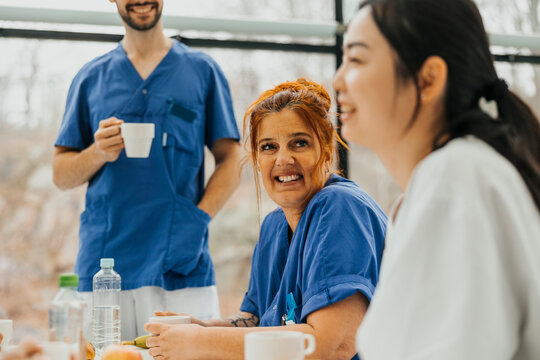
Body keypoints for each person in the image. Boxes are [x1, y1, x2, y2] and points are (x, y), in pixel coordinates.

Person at [333, 0, 540, 358]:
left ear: (428, 79)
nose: (337, 79)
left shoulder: (456, 178)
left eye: (356, 59)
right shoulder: (457, 175)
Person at [143, 79, 387, 359]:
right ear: (257, 158)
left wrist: (201, 341)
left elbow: (330, 346)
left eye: (300, 143)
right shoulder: (274, 227)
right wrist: (203, 325)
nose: (283, 159)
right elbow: (257, 318)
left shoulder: (340, 208)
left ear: (327, 150)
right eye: (269, 147)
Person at [52, 0, 241, 340]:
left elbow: (231, 157)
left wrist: (198, 218)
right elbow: (61, 173)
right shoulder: (91, 78)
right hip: (106, 266)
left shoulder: (201, 71)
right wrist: (97, 153)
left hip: (179, 262)